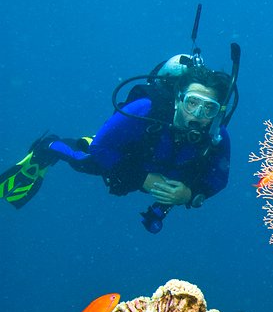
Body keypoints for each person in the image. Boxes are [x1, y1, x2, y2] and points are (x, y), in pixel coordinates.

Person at [0, 59, 233, 230]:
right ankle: (48, 147)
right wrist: (140, 178)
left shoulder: (217, 136)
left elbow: (219, 178)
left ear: (218, 112)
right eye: (192, 103)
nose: (198, 114)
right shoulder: (145, 110)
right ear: (178, 98)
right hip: (126, 158)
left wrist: (190, 194)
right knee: (84, 160)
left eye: (209, 108)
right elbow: (101, 149)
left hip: (166, 170)